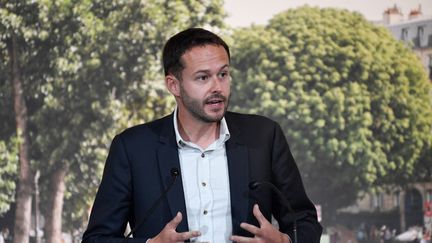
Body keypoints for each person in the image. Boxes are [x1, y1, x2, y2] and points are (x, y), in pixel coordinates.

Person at [82, 27, 322, 243]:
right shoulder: (133, 148)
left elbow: (305, 221)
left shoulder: (263, 136)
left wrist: (285, 242)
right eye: (203, 77)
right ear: (173, 85)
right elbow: (97, 238)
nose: (217, 87)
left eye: (223, 74)